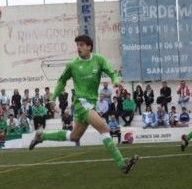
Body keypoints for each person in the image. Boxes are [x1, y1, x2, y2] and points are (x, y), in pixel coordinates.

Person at [28, 35, 138, 174]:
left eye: (81, 45)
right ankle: (122, 163)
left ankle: (41, 136)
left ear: (89, 46)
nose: (78, 48)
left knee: (75, 137)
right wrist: (52, 97)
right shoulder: (73, 64)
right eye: (77, 45)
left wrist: (115, 79)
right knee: (104, 128)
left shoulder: (99, 60)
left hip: (91, 103)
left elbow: (111, 72)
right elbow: (62, 81)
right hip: (81, 102)